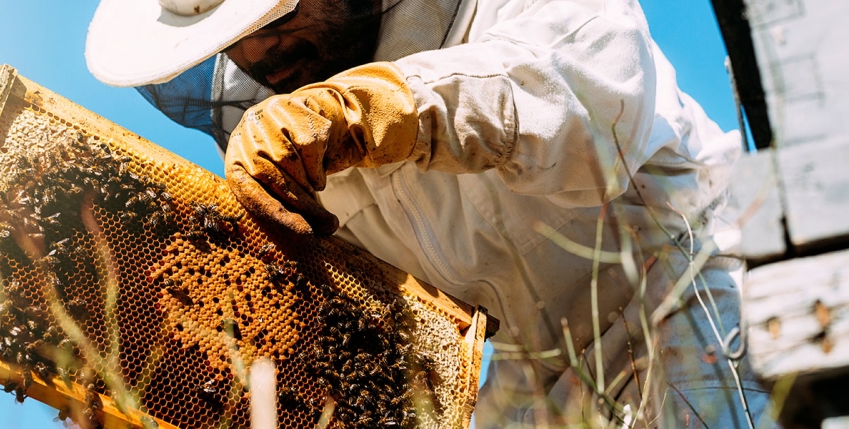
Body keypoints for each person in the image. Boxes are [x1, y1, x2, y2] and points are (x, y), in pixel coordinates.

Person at [85, 0, 774, 426]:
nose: (255, 54)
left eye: (272, 15)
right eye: (227, 38)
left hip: (689, 286)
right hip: (537, 376)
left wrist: (378, 108)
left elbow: (595, 108)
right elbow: (361, 327)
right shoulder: (286, 123)